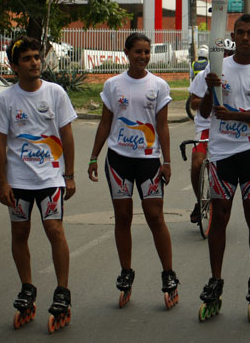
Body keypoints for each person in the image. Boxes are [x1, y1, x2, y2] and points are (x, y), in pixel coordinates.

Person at [195, 14, 250, 320]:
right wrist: (210, 90)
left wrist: (234, 116)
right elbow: (203, 112)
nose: (246, 37)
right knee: (219, 218)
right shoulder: (217, 67)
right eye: (241, 32)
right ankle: (215, 281)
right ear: (232, 36)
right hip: (222, 154)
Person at [0, 35, 77, 325]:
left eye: (37, 57)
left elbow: (67, 135)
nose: (35, 63)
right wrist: (2, 182)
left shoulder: (55, 93)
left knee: (54, 229)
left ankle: (62, 291)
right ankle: (27, 288)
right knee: (20, 234)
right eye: (27, 59)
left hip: (51, 178)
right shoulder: (6, 99)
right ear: (14, 66)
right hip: (18, 181)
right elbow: (0, 143)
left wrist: (69, 175)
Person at [87, 32, 179, 308]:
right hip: (119, 160)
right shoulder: (113, 85)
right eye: (138, 51)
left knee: (155, 217)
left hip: (149, 161)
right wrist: (93, 156)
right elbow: (105, 123)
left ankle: (169, 275)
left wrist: (167, 161)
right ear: (126, 53)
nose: (143, 56)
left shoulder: (159, 85)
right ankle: (126, 272)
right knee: (123, 217)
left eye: (147, 52)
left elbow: (162, 126)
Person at [189, 40, 236, 223]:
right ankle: (199, 200)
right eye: (222, 54)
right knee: (197, 163)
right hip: (206, 127)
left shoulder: (238, 74)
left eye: (229, 54)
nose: (225, 58)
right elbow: (193, 102)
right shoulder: (204, 75)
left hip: (228, 128)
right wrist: (207, 100)